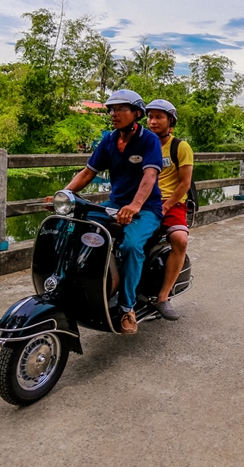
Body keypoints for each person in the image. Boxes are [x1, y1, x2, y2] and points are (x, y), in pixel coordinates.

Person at [54, 90, 163, 335]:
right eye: (111, 110)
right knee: (72, 227)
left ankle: (127, 308)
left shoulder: (149, 140)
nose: (114, 114)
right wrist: (63, 193)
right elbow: (87, 173)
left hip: (146, 208)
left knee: (131, 246)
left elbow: (150, 176)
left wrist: (135, 206)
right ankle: (68, 285)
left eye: (121, 109)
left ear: (137, 113)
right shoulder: (109, 140)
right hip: (114, 206)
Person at [145, 99, 193, 321]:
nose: (153, 122)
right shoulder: (142, 144)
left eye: (158, 117)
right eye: (150, 117)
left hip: (172, 203)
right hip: (144, 201)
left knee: (180, 239)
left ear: (170, 121)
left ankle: (163, 297)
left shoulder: (180, 147)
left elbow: (184, 183)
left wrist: (165, 206)